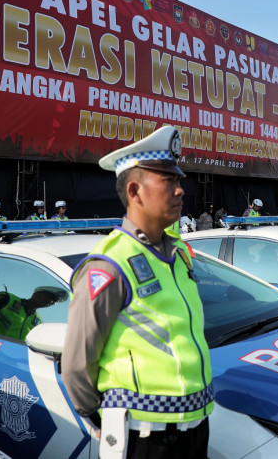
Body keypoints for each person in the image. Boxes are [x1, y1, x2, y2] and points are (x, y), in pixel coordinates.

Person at [63, 126, 213, 459]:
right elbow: (76, 364)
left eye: (178, 180)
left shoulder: (178, 254)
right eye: (168, 181)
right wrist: (104, 417)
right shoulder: (109, 264)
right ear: (135, 191)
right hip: (144, 438)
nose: (180, 190)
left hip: (196, 429)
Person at [0, 285, 68, 340]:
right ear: (37, 294)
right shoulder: (7, 299)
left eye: (54, 301)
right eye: (49, 296)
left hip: (8, 359)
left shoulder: (37, 322)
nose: (51, 301)